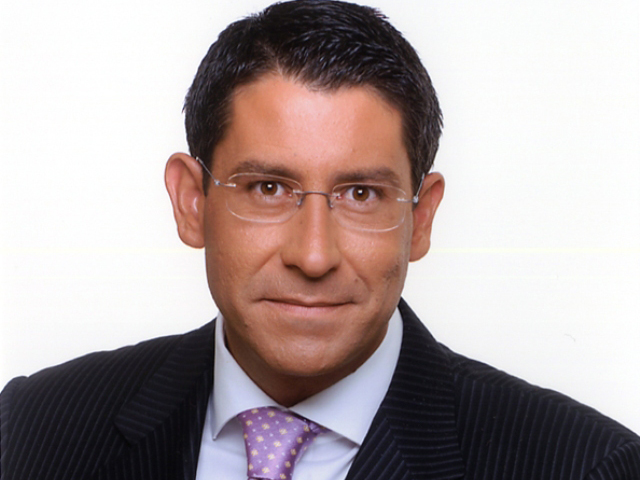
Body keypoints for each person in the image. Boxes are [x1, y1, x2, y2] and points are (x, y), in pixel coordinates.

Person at [1, 1, 638, 479]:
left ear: (420, 219)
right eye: (268, 188)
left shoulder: (585, 465)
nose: (313, 255)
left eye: (361, 194)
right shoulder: (34, 430)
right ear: (192, 202)